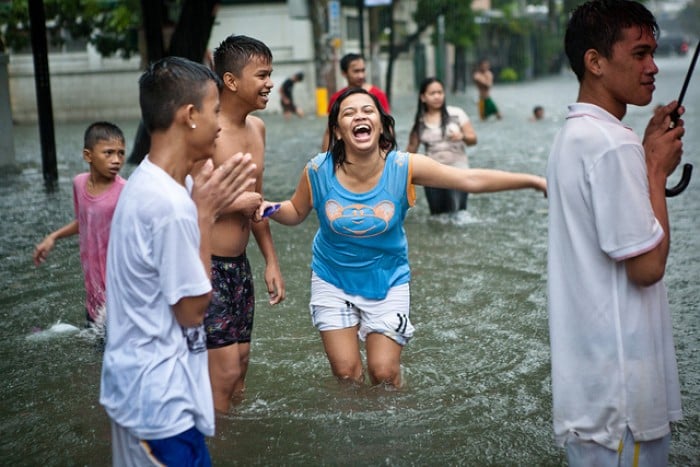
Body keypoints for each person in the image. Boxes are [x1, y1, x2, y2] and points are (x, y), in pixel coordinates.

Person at [257, 87, 546, 389]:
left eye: (368, 110)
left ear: (381, 125)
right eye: (349, 112)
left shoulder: (403, 166)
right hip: (332, 277)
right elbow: (295, 212)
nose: (359, 116)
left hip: (388, 278)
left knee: (384, 373)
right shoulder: (318, 169)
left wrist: (532, 180)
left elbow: (469, 179)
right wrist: (270, 209)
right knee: (346, 374)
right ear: (338, 131)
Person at [546, 1, 685, 465]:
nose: (653, 67)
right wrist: (653, 167)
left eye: (653, 53)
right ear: (595, 62)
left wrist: (643, 153)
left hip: (593, 399)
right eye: (640, 53)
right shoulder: (611, 146)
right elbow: (647, 267)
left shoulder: (576, 135)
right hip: (623, 405)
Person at [100, 56, 257, 466]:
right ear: (190, 116)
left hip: (144, 388)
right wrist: (204, 216)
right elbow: (191, 310)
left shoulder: (157, 181)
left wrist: (205, 200)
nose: (220, 124)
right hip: (158, 404)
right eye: (215, 110)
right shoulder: (170, 205)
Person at [202, 34, 286, 413]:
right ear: (231, 81)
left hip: (239, 266)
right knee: (222, 371)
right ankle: (213, 444)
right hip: (207, 265)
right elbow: (187, 203)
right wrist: (238, 201)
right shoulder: (206, 129)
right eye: (262, 75)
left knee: (242, 367)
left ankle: (233, 444)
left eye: (271, 74)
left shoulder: (258, 130)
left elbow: (258, 204)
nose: (270, 83)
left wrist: (270, 260)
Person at [33, 121, 126, 334]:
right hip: (92, 287)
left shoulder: (125, 191)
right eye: (108, 153)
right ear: (88, 155)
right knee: (94, 348)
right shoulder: (79, 183)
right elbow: (84, 222)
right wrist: (53, 237)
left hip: (117, 287)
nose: (116, 160)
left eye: (121, 153)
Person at [406, 77, 478, 215]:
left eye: (440, 92)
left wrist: (462, 136)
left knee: (459, 215)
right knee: (438, 217)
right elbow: (410, 151)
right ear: (423, 97)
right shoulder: (420, 122)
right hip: (432, 175)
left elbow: (473, 139)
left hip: (459, 171)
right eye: (432, 93)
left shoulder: (457, 113)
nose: (437, 96)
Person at [321, 53, 390, 150]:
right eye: (356, 71)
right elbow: (330, 130)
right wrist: (325, 160)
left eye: (363, 70)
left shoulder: (378, 95)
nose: (361, 75)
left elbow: (388, 127)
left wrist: (388, 156)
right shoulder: (336, 98)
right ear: (344, 73)